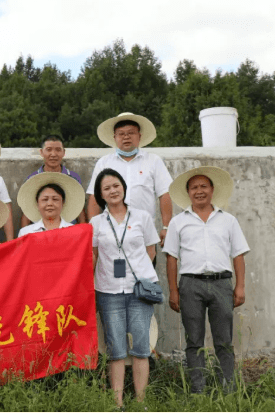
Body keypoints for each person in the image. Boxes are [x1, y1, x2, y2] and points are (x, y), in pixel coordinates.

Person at [163, 166, 249, 394]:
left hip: (222, 283)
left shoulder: (228, 220)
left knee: (224, 340)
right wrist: (173, 290)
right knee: (194, 341)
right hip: (190, 285)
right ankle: (198, 391)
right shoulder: (178, 222)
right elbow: (171, 259)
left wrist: (239, 286)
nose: (199, 191)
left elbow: (238, 255)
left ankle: (229, 389)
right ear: (188, 193)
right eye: (194, 188)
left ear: (212, 190)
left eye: (203, 186)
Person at [90, 168, 160, 407]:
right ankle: (117, 403)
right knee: (116, 348)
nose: (113, 191)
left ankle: (141, 402)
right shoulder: (96, 222)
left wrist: (137, 273)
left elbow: (151, 251)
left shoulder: (142, 217)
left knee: (141, 347)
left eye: (116, 185)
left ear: (123, 188)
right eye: (106, 188)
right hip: (108, 291)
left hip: (140, 291)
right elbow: (94, 255)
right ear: (101, 195)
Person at [86, 113, 173, 247]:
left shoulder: (153, 161)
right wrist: (92, 229)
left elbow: (164, 194)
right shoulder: (104, 163)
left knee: (146, 266)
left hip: (144, 233)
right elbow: (94, 197)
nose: (126, 137)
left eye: (131, 133)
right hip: (110, 233)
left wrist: (166, 227)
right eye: (121, 134)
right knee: (112, 268)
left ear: (139, 136)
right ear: (114, 137)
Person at [20, 135, 86, 228]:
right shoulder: (32, 178)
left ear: (63, 152)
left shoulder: (73, 177)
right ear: (41, 152)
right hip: (40, 231)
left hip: (69, 231)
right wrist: (24, 237)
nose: (53, 154)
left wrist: (83, 232)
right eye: (49, 149)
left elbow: (80, 209)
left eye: (58, 150)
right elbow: (27, 211)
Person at [17, 172, 85, 237]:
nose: (50, 204)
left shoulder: (76, 232)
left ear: (63, 203)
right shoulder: (26, 233)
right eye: (45, 199)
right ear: (37, 203)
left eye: (55, 199)